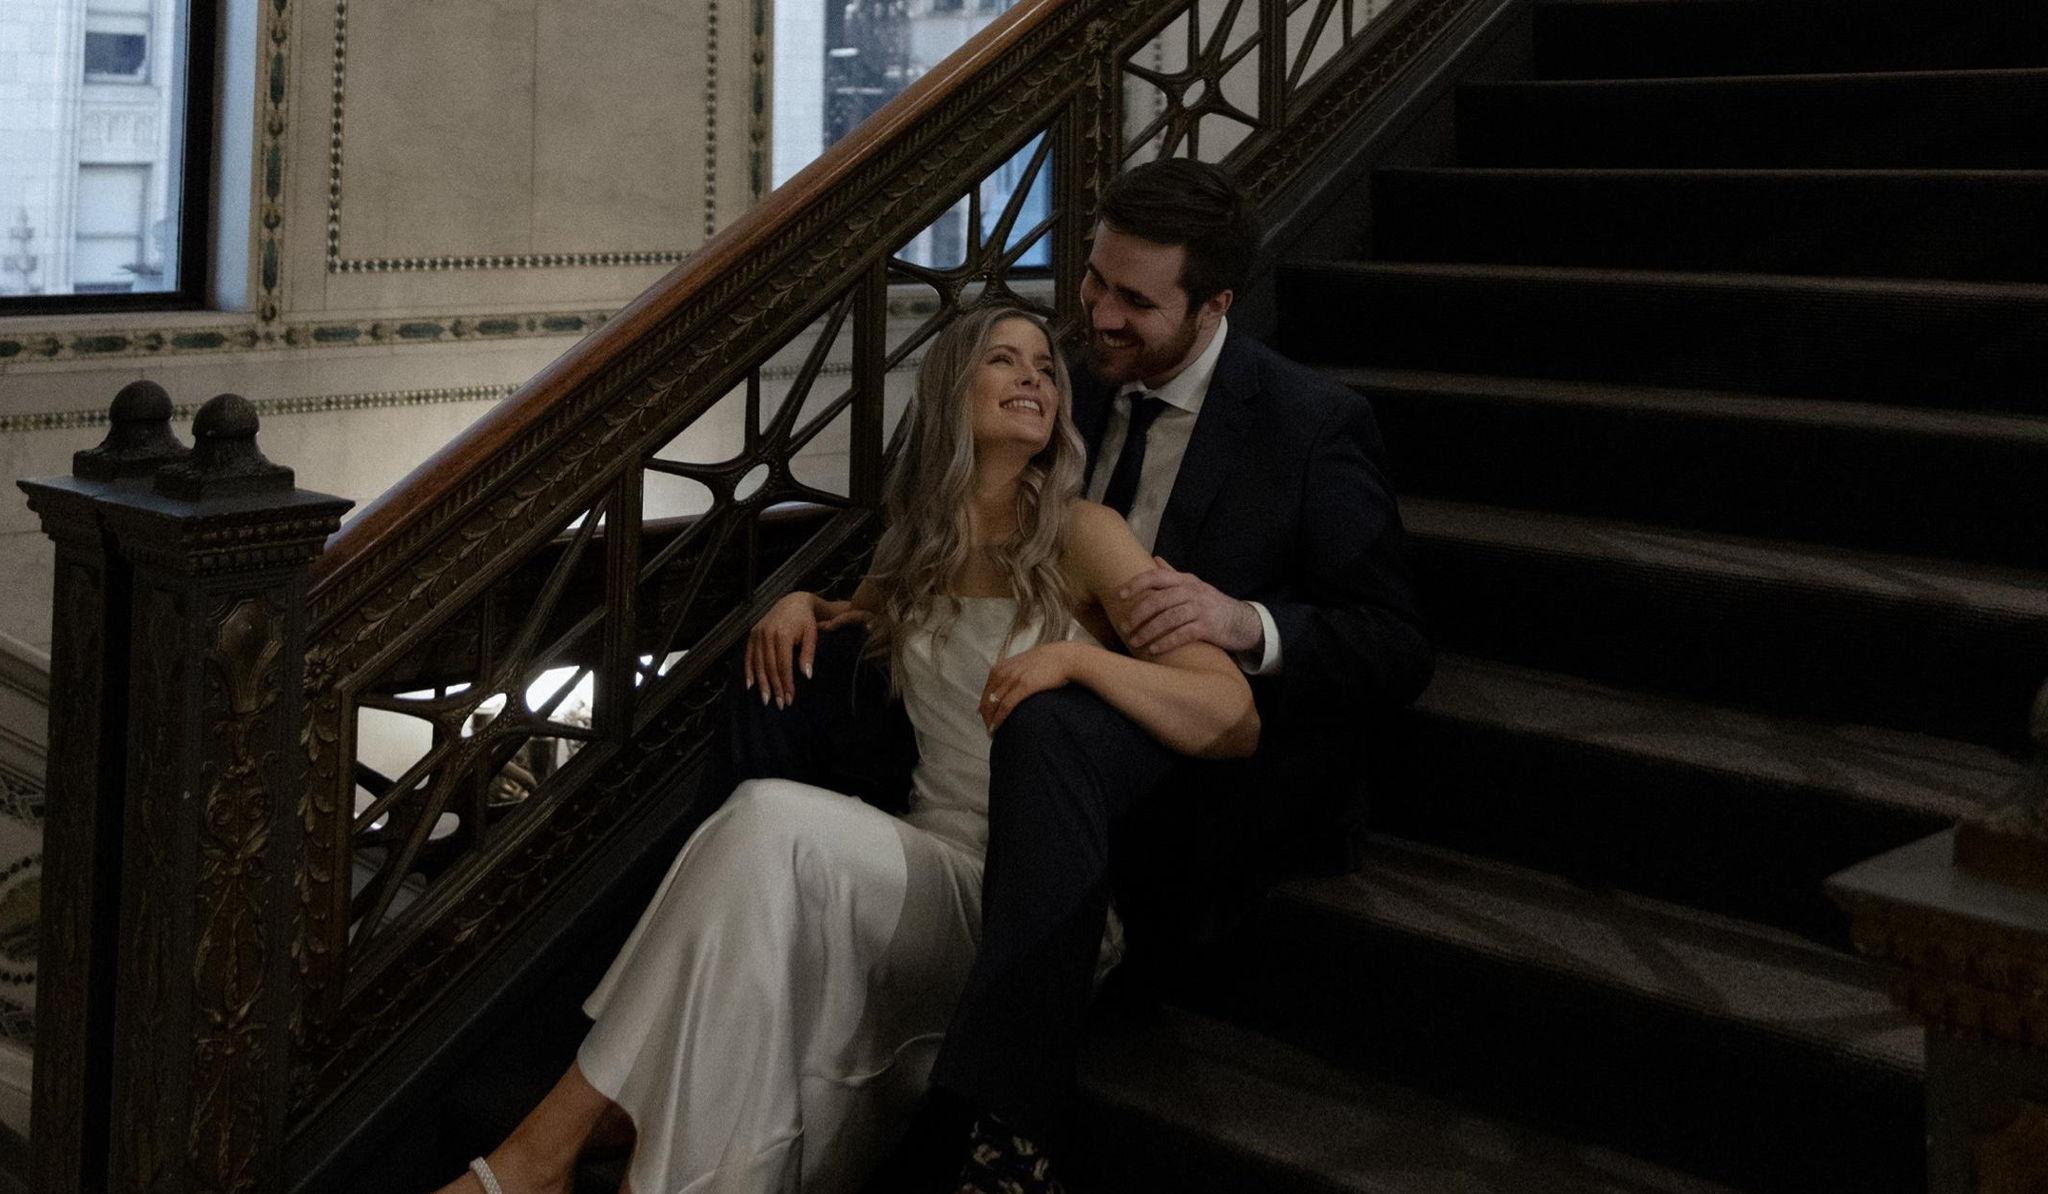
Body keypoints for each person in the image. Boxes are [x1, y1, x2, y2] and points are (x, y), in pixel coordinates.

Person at [434, 304, 1260, 1194]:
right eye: (1003, 360)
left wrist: (1079, 662)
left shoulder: (1084, 532)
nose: (1035, 376)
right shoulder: (919, 543)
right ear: (951, 390)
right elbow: (866, 619)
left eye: (1046, 367)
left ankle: (534, 1159)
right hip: (924, 865)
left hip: (1029, 904)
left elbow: (1231, 710)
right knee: (755, 884)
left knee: (768, 823)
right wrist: (802, 604)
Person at [827, 157, 1431, 1190]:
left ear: (1214, 305)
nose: (1100, 317)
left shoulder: (1307, 423)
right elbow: (959, 521)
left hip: (1210, 748)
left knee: (1051, 721)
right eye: (1094, 282)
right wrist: (826, 608)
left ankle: (1006, 1125)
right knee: (800, 670)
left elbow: (1395, 642)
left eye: (1135, 302)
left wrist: (1244, 622)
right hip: (1044, 717)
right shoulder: (1069, 371)